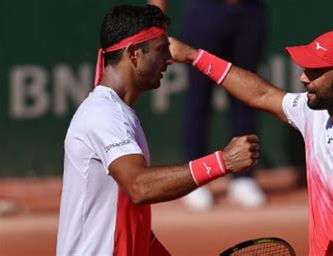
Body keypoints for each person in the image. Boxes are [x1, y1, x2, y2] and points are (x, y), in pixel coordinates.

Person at [169, 30, 333, 255]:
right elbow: (261, 94)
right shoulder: (315, 114)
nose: (303, 77)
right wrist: (194, 56)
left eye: (315, 71)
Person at [56, 4, 259, 256]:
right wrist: (222, 161)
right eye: (161, 50)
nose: (169, 59)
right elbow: (140, 187)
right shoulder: (103, 114)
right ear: (133, 54)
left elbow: (131, 219)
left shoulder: (120, 113)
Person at [149, 0, 267, 210]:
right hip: (205, 11)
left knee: (246, 96)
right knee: (198, 99)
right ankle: (196, 180)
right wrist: (155, 24)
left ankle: (244, 178)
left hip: (250, 11)